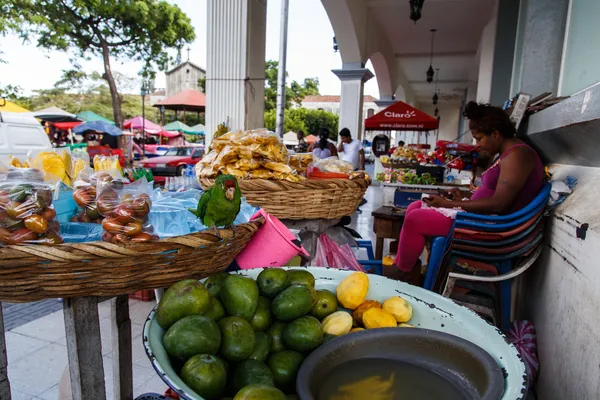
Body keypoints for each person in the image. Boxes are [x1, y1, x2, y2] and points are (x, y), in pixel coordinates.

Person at [390, 101, 544, 284]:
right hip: (485, 218)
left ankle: (401, 276)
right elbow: (496, 195)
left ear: (495, 134)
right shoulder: (507, 153)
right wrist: (463, 198)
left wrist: (450, 204)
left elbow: (500, 203)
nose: (477, 145)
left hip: (496, 229)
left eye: (479, 138)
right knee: (415, 206)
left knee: (415, 220)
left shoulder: (518, 156)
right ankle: (408, 271)